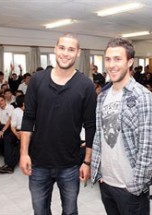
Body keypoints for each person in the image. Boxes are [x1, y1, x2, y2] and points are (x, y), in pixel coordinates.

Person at [20, 33, 96, 215]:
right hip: (38, 162)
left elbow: (91, 126)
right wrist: (24, 154)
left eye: (71, 49)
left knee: (70, 212)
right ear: (55, 49)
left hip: (70, 164)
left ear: (78, 53)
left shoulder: (86, 85)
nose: (65, 53)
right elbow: (28, 118)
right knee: (40, 211)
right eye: (62, 48)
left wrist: (87, 162)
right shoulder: (37, 80)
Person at [91, 37, 152, 215]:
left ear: (130, 62)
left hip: (130, 187)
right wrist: (98, 173)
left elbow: (148, 148)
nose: (111, 65)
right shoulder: (102, 97)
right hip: (107, 182)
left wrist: (135, 185)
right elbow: (99, 135)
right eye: (108, 59)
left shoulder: (143, 97)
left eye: (117, 59)